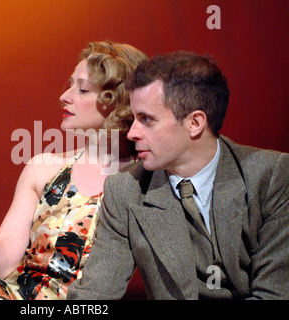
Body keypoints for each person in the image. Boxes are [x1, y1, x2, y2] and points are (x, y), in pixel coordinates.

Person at [0, 41, 148, 300]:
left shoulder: (145, 182)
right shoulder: (44, 167)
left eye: (83, 89)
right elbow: (3, 264)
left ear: (117, 101)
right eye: (70, 84)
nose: (64, 96)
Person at [68, 51, 289, 300]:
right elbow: (94, 296)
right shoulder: (125, 189)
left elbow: (275, 294)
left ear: (195, 123)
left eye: (146, 120)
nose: (131, 133)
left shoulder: (271, 176)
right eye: (133, 118)